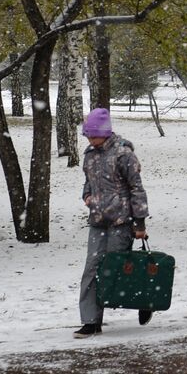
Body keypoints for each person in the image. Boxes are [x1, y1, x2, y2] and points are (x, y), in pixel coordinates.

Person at [75, 107, 151, 338]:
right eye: (87, 135)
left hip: (122, 222)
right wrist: (87, 196)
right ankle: (91, 321)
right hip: (98, 220)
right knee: (92, 270)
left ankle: (145, 300)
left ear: (105, 133)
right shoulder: (89, 154)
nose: (90, 139)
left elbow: (137, 189)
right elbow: (88, 181)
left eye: (93, 135)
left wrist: (139, 224)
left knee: (117, 271)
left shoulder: (124, 154)